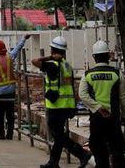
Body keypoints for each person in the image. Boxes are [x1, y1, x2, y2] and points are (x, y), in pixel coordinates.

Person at [33, 36, 91, 168]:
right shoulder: (67, 65)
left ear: (53, 50)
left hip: (56, 105)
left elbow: (34, 61)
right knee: (59, 134)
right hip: (66, 105)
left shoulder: (52, 65)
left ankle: (82, 154)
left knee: (58, 135)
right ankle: (53, 162)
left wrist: (49, 57)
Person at [79, 41, 125, 168]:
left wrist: (98, 108)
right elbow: (124, 99)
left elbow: (82, 95)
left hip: (97, 119)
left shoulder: (87, 75)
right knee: (117, 149)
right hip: (114, 119)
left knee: (98, 149)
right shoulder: (117, 74)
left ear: (94, 57)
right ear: (108, 56)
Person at [0, 34, 31, 139]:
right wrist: (24, 39)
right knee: (10, 113)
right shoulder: (10, 57)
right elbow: (17, 48)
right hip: (10, 91)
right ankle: (10, 134)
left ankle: (1, 134)